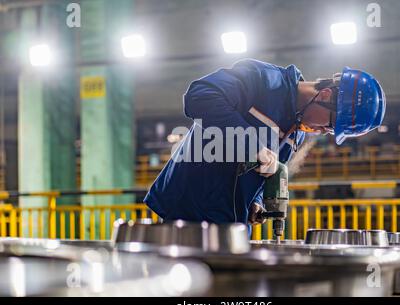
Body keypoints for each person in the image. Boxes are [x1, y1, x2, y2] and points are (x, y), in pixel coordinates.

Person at [144, 59, 386, 226]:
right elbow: (199, 95)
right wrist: (251, 145)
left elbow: (263, 171)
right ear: (325, 95)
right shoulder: (263, 80)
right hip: (187, 212)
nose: (323, 132)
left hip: (231, 224)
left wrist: (257, 202)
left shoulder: (296, 134)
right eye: (330, 125)